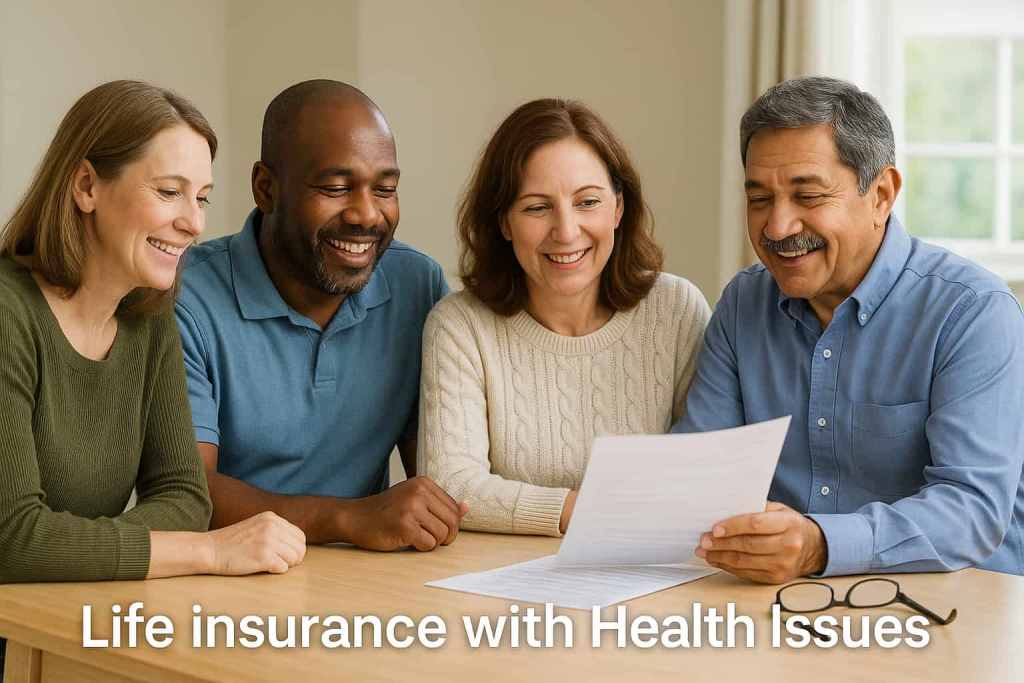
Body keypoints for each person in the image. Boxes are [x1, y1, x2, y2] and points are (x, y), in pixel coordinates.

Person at [674, 76, 1024, 583]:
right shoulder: (744, 303)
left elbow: (972, 512)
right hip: (785, 607)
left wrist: (819, 544)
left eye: (808, 197)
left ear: (881, 194)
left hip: (955, 611)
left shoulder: (972, 312)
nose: (777, 227)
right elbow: (697, 474)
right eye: (759, 200)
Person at [0, 80, 307, 589]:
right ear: (86, 187)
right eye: (169, 192)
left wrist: (69, 548)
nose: (193, 223)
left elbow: (185, 497)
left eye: (202, 198)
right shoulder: (9, 314)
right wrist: (208, 549)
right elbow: (14, 541)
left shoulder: (149, 314)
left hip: (73, 615)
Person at [176, 80, 466, 552]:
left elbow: (437, 472)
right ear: (266, 189)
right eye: (335, 187)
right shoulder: (185, 298)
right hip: (229, 580)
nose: (367, 215)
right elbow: (188, 491)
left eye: (386, 189)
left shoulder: (417, 286)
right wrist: (347, 519)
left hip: (372, 579)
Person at [419, 99, 711, 536]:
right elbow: (452, 485)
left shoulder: (675, 308)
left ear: (617, 208)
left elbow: (706, 470)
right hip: (497, 585)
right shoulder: (459, 326)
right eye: (537, 207)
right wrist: (589, 510)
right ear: (504, 222)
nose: (567, 231)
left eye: (587, 202)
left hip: (653, 571)